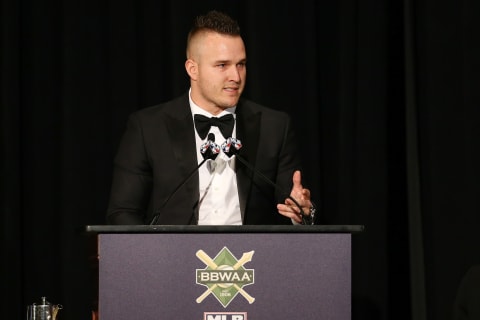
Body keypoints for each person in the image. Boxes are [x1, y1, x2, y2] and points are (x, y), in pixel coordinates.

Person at [106, 10, 315, 225]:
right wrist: (154, 255)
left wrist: (301, 213)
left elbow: (295, 206)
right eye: (222, 65)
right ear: (192, 69)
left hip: (252, 257)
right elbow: (122, 212)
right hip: (174, 257)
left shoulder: (275, 127)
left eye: (241, 64)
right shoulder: (147, 128)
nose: (235, 76)